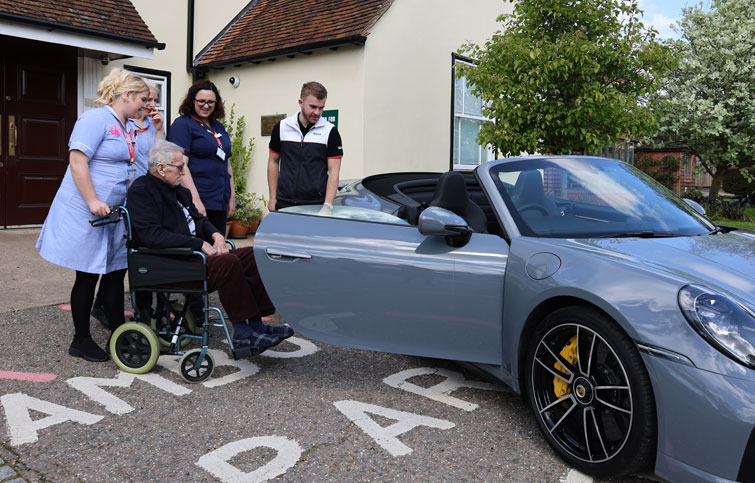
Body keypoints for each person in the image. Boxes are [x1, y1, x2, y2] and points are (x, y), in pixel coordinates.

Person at [127, 140, 294, 349]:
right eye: (180, 167)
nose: (183, 172)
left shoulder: (179, 190)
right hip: (169, 262)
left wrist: (216, 236)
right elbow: (151, 236)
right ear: (161, 168)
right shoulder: (142, 191)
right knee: (228, 262)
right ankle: (242, 333)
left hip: (189, 256)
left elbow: (200, 221)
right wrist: (198, 243)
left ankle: (256, 325)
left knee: (252, 255)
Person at [36, 69, 149, 362]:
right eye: (143, 99)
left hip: (114, 214)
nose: (146, 106)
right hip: (88, 211)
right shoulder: (94, 119)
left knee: (115, 272)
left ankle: (118, 332)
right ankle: (81, 339)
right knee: (87, 275)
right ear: (127, 96)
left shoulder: (126, 126)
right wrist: (93, 200)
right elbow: (77, 160)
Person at [92, 80, 164, 328]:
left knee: (137, 253)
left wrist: (159, 130)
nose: (150, 104)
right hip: (125, 195)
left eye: (153, 100)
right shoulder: (126, 124)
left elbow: (159, 159)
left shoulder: (153, 126)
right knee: (124, 256)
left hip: (146, 194)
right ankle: (105, 304)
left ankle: (142, 308)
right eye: (147, 99)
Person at [168, 80, 234, 234]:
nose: (206, 105)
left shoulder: (218, 126)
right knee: (204, 249)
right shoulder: (182, 124)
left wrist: (231, 198)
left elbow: (227, 164)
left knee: (219, 246)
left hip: (219, 199)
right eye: (201, 101)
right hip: (199, 198)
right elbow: (181, 165)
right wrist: (195, 200)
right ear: (192, 101)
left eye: (211, 102)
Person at [267, 81, 343, 212]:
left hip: (315, 205)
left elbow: (334, 172)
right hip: (284, 202)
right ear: (301, 102)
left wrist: (327, 205)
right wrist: (273, 198)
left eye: (321, 108)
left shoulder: (331, 132)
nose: (317, 112)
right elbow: (273, 162)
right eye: (313, 107)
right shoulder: (282, 127)